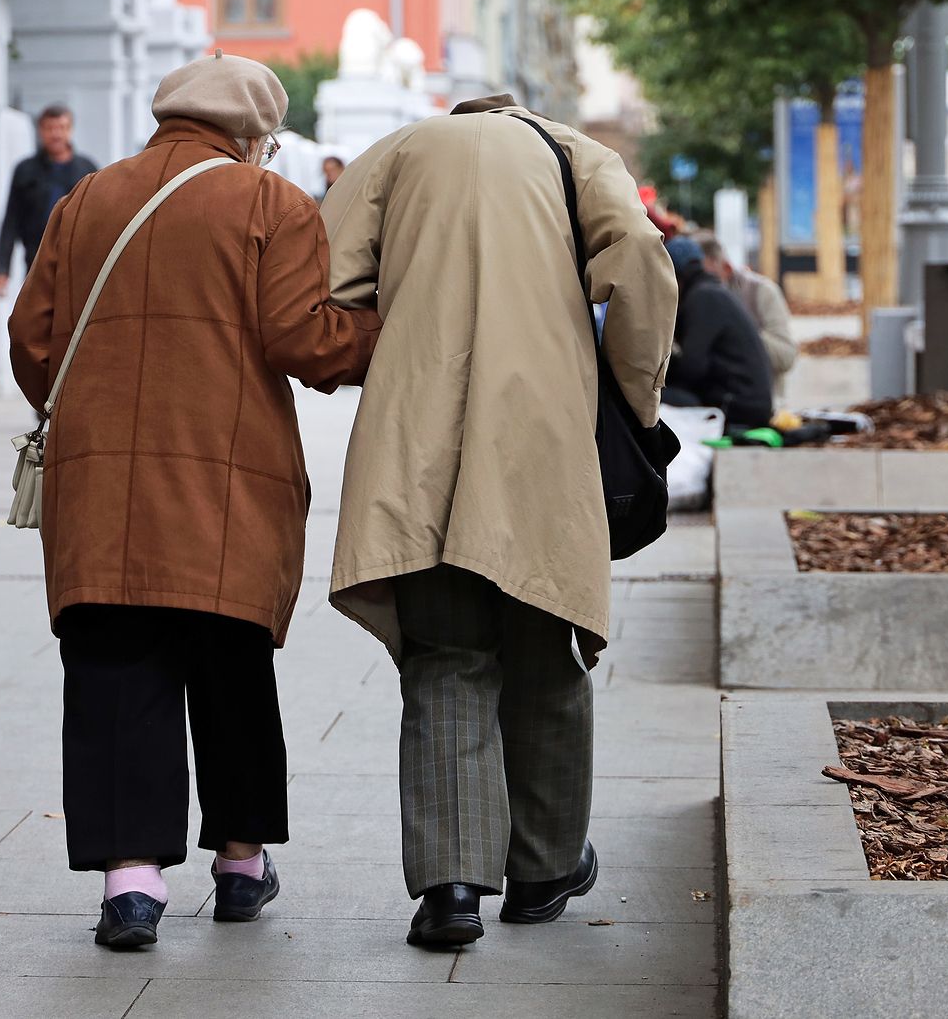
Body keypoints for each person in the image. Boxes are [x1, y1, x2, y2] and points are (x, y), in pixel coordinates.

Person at [8, 54, 382, 950]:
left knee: (114, 672)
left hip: (99, 489)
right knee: (231, 663)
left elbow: (32, 340)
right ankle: (242, 863)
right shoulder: (270, 203)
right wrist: (384, 327)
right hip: (228, 478)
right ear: (256, 135)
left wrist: (94, 404)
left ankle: (131, 886)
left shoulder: (86, 197)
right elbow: (307, 340)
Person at [320, 94, 677, 947]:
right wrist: (636, 391)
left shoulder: (397, 152)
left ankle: (450, 887)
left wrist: (406, 327)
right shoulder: (579, 154)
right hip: (540, 431)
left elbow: (327, 282)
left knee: (446, 656)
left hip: (419, 434)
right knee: (547, 646)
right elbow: (638, 255)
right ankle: (544, 869)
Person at [660, 237, 773, 429]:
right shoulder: (712, 292)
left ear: (675, 276)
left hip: (741, 409)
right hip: (750, 404)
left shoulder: (702, 299)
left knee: (650, 398)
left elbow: (692, 369)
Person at [0, 105, 99, 297]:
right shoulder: (25, 170)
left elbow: (100, 220)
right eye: (50, 128)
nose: (56, 134)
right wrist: (3, 269)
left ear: (70, 130)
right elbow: (11, 220)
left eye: (61, 128)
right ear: (41, 131)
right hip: (36, 260)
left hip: (79, 261)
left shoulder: (88, 169)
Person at [691, 231, 797, 396]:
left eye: (707, 278)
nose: (702, 287)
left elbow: (786, 356)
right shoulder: (691, 299)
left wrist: (739, 331)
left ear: (726, 268)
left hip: (759, 403)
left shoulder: (761, 292)